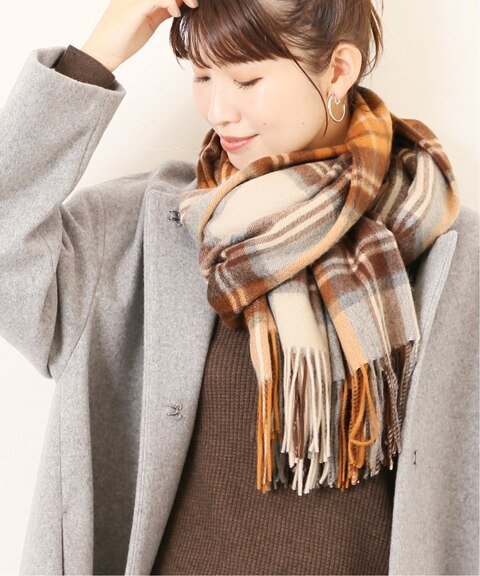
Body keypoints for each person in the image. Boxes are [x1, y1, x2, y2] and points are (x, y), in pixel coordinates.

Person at [0, 1, 478, 575]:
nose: (218, 110)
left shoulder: (447, 251)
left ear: (338, 70)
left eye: (247, 80)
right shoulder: (143, 236)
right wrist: (100, 51)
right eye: (202, 76)